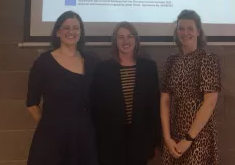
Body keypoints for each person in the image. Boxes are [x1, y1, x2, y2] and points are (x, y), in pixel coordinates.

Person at [26, 11, 99, 165]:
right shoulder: (44, 62)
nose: (71, 32)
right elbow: (32, 104)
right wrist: (50, 127)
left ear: (80, 33)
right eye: (66, 28)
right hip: (53, 141)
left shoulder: (92, 61)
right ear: (58, 32)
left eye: (76, 28)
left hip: (84, 138)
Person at [90, 21, 161, 165]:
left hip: (140, 142)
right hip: (110, 143)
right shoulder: (103, 69)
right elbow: (96, 109)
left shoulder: (149, 68)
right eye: (120, 37)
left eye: (130, 36)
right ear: (115, 41)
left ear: (136, 40)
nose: (125, 41)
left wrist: (156, 142)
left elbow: (154, 108)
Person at [160, 9, 221, 165]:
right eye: (181, 28)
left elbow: (210, 102)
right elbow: (165, 100)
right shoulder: (171, 61)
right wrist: (167, 138)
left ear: (198, 32)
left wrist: (188, 139)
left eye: (190, 28)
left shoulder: (207, 60)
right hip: (173, 135)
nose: (185, 32)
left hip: (198, 136)